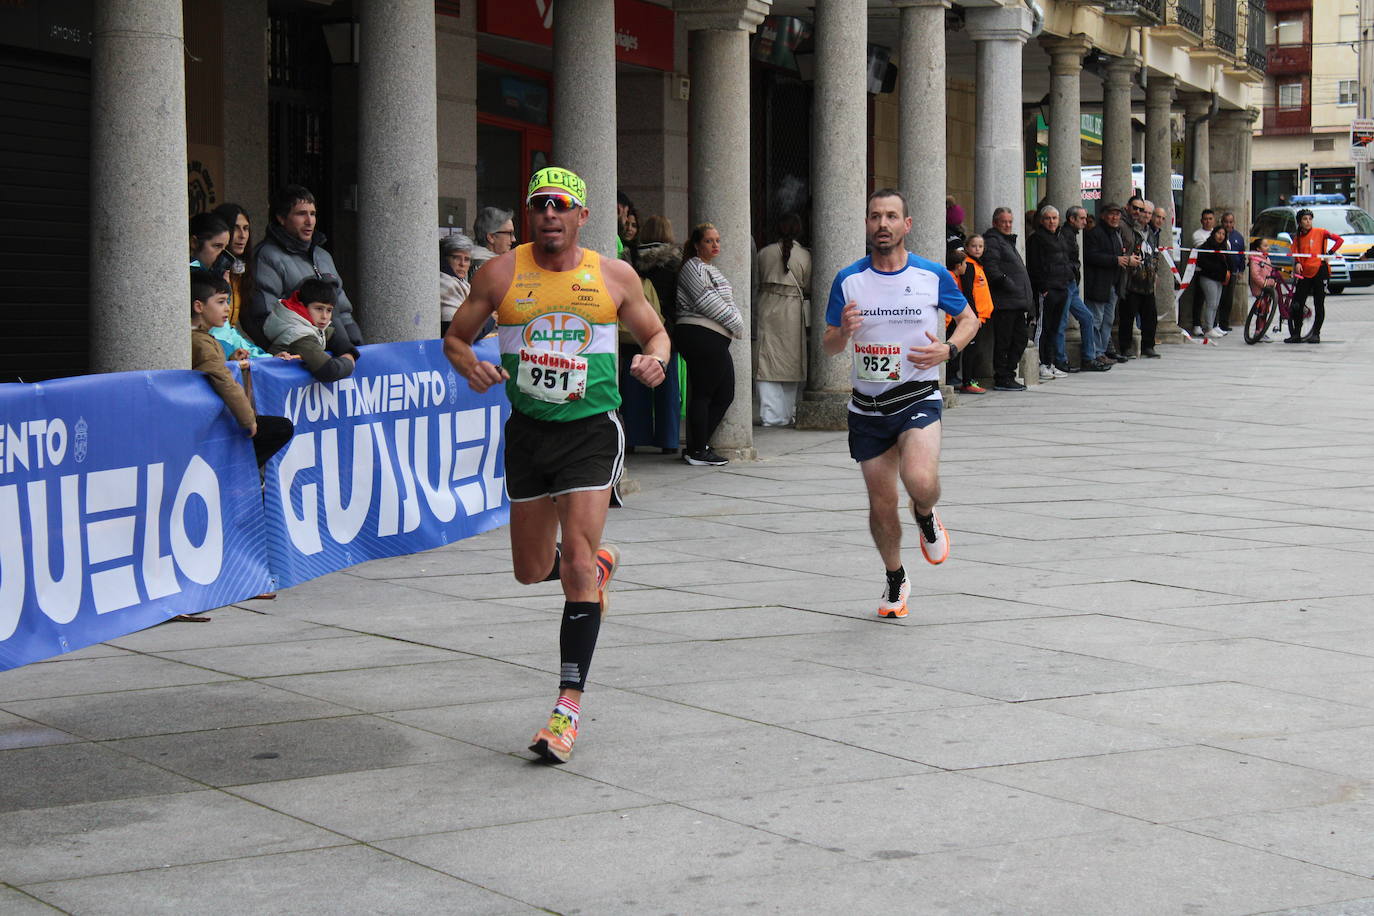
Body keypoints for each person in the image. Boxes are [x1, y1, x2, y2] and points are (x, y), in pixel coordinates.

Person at [443, 167, 669, 764]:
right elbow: (456, 339)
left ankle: (565, 709)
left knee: (571, 569)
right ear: (528, 214)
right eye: (539, 204)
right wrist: (470, 366)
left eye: (560, 206)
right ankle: (596, 566)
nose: (549, 215)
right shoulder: (501, 273)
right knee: (528, 568)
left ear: (581, 216)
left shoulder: (613, 275)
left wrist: (656, 361)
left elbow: (656, 334)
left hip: (592, 430)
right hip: (528, 433)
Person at [822, 188, 978, 619]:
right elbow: (830, 344)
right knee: (881, 504)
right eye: (875, 217)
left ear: (907, 225)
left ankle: (926, 513)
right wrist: (844, 332)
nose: (883, 224)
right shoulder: (848, 279)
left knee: (919, 480)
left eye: (891, 216)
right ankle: (895, 575)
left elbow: (970, 319)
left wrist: (948, 349)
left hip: (917, 395)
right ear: (868, 224)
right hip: (868, 406)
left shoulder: (932, 275)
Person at [250, 184, 363, 349]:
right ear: (281, 218)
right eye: (301, 214)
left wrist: (356, 344)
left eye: (313, 214)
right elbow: (264, 318)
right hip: (300, 358)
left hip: (338, 350)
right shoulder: (267, 256)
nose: (309, 221)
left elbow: (343, 310)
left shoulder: (323, 256)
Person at [675, 222, 744, 466]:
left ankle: (698, 446)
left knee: (725, 393)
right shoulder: (692, 267)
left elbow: (724, 300)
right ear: (696, 244)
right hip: (699, 334)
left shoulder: (710, 268)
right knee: (704, 393)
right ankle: (698, 451)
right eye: (708, 241)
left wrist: (733, 322)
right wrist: (737, 323)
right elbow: (707, 301)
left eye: (717, 240)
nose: (715, 245)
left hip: (713, 337)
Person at [754, 213, 811, 427]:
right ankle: (787, 414)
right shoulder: (805, 256)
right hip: (793, 312)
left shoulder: (763, 253)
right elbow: (809, 285)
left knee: (766, 362)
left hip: (767, 307)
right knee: (792, 364)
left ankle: (771, 415)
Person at [980, 207, 1036, 391]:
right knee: (1005, 341)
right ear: (995, 223)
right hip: (1005, 302)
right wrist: (1008, 283)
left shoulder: (1006, 241)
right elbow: (991, 268)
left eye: (1010, 222)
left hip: (1016, 301)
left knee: (1019, 339)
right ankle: (1002, 376)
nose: (1007, 225)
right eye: (1004, 222)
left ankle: (1009, 373)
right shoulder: (993, 241)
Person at [264, 278, 361, 382]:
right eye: (319, 309)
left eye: (329, 310)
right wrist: (349, 361)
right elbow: (329, 371)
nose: (324, 316)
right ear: (302, 306)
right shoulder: (299, 335)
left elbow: (333, 338)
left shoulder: (311, 325)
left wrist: (349, 351)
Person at [1083, 201, 1134, 366]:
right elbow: (1090, 256)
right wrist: (1116, 260)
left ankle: (1102, 351)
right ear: (1103, 216)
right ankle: (1094, 352)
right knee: (1096, 319)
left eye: (1117, 214)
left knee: (1108, 320)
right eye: (1111, 214)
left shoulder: (1116, 233)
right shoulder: (1095, 233)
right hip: (1098, 283)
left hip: (1113, 284)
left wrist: (1125, 260)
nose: (1115, 217)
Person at [1026, 205, 1073, 381]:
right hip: (1047, 290)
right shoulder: (1036, 239)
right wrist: (1043, 288)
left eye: (1054, 218)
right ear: (1041, 220)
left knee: (1054, 327)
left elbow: (1066, 260)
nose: (1052, 222)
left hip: (1062, 287)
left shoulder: (1060, 237)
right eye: (1048, 218)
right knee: (1042, 327)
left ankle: (1050, 362)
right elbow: (1034, 266)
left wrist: (1069, 277)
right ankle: (1039, 363)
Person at [1059, 206, 1106, 372]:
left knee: (1087, 317)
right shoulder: (1064, 235)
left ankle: (1088, 357)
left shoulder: (1071, 235)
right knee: (1062, 322)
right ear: (1072, 219)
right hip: (1066, 283)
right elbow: (1064, 260)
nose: (1085, 222)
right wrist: (1071, 272)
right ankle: (1060, 360)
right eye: (1082, 218)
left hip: (1071, 283)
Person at [1287, 208, 1343, 343]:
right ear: (1299, 222)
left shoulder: (1321, 232)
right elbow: (1296, 253)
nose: (1308, 222)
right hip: (1305, 273)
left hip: (1320, 271)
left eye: (1310, 219)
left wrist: (1330, 252)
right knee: (1297, 304)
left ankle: (1316, 333)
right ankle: (1296, 334)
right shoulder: (1297, 238)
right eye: (1305, 219)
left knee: (1319, 303)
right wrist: (1298, 263)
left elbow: (1339, 240)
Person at [1118, 198, 1160, 358]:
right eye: (1143, 211)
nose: (1146, 215)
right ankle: (1126, 346)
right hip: (1131, 280)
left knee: (1150, 316)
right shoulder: (1129, 228)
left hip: (1147, 281)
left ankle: (1148, 345)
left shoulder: (1151, 232)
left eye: (1149, 213)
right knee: (1127, 316)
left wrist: (1155, 270)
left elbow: (1154, 253)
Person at [955, 235, 995, 392]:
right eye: (974, 246)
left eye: (980, 246)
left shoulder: (977, 265)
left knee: (975, 349)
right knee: (970, 350)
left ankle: (969, 380)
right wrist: (973, 316)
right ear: (966, 247)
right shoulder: (969, 266)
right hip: (974, 316)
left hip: (981, 316)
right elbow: (968, 293)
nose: (977, 249)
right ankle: (967, 382)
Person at [212, 202, 256, 332]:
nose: (242, 235)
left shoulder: (241, 269)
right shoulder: (211, 270)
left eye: (246, 228)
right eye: (236, 228)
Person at [1194, 224, 1231, 340]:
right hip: (1208, 277)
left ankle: (1212, 325)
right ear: (1214, 233)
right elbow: (1202, 261)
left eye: (1223, 234)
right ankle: (1208, 328)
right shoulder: (1207, 245)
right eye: (1219, 233)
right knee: (1210, 303)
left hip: (1219, 279)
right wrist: (1218, 269)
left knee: (1215, 304)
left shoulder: (1224, 247)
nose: (1220, 236)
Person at [1187, 208, 1218, 336]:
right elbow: (1203, 249)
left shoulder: (1217, 233)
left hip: (1216, 270)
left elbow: (1226, 246)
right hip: (1202, 270)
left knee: (1215, 300)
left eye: (1210, 219)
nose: (1208, 221)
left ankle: (1212, 325)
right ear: (1201, 220)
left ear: (1214, 220)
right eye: (1205, 219)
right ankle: (1197, 324)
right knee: (1199, 299)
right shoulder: (1197, 234)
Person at [440, 233, 473, 337]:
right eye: (456, 258)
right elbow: (458, 330)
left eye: (467, 259)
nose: (462, 264)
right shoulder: (446, 283)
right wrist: (490, 319)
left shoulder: (462, 283)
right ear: (445, 259)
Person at [1218, 212, 1247, 334]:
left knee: (1228, 299)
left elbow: (1242, 255)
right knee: (1218, 297)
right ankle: (1215, 324)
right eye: (1226, 222)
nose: (1228, 224)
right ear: (1222, 222)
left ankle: (1224, 323)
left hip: (1233, 272)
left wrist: (1241, 270)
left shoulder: (1238, 237)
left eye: (1230, 222)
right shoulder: (1218, 235)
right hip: (1220, 271)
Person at [468, 206, 516, 278]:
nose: (513, 239)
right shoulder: (487, 267)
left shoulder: (470, 261)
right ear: (491, 237)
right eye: (509, 233)